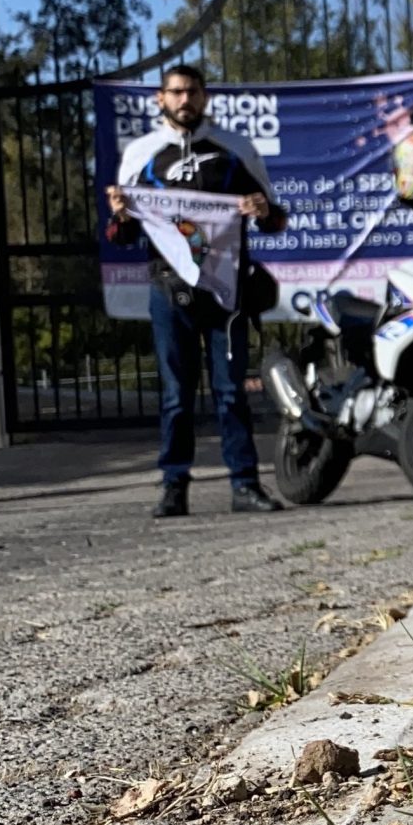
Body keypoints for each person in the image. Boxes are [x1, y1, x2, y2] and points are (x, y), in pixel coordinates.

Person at [105, 64, 287, 519]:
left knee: (231, 392)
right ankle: (173, 487)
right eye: (176, 93)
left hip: (227, 293)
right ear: (160, 99)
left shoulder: (234, 149)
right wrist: (122, 217)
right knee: (175, 395)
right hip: (169, 292)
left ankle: (245, 484)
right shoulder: (142, 154)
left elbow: (275, 219)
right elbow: (122, 236)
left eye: (193, 92)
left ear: (205, 97)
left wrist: (261, 208)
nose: (185, 100)